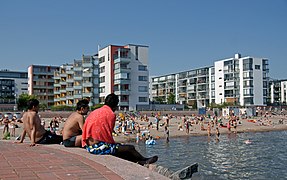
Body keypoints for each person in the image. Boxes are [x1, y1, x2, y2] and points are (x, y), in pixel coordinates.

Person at [82, 93, 158, 165]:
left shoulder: (95, 111)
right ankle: (144, 160)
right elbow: (108, 133)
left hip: (89, 146)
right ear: (115, 105)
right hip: (98, 147)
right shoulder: (110, 114)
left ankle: (139, 161)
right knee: (130, 148)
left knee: (121, 148)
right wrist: (114, 144)